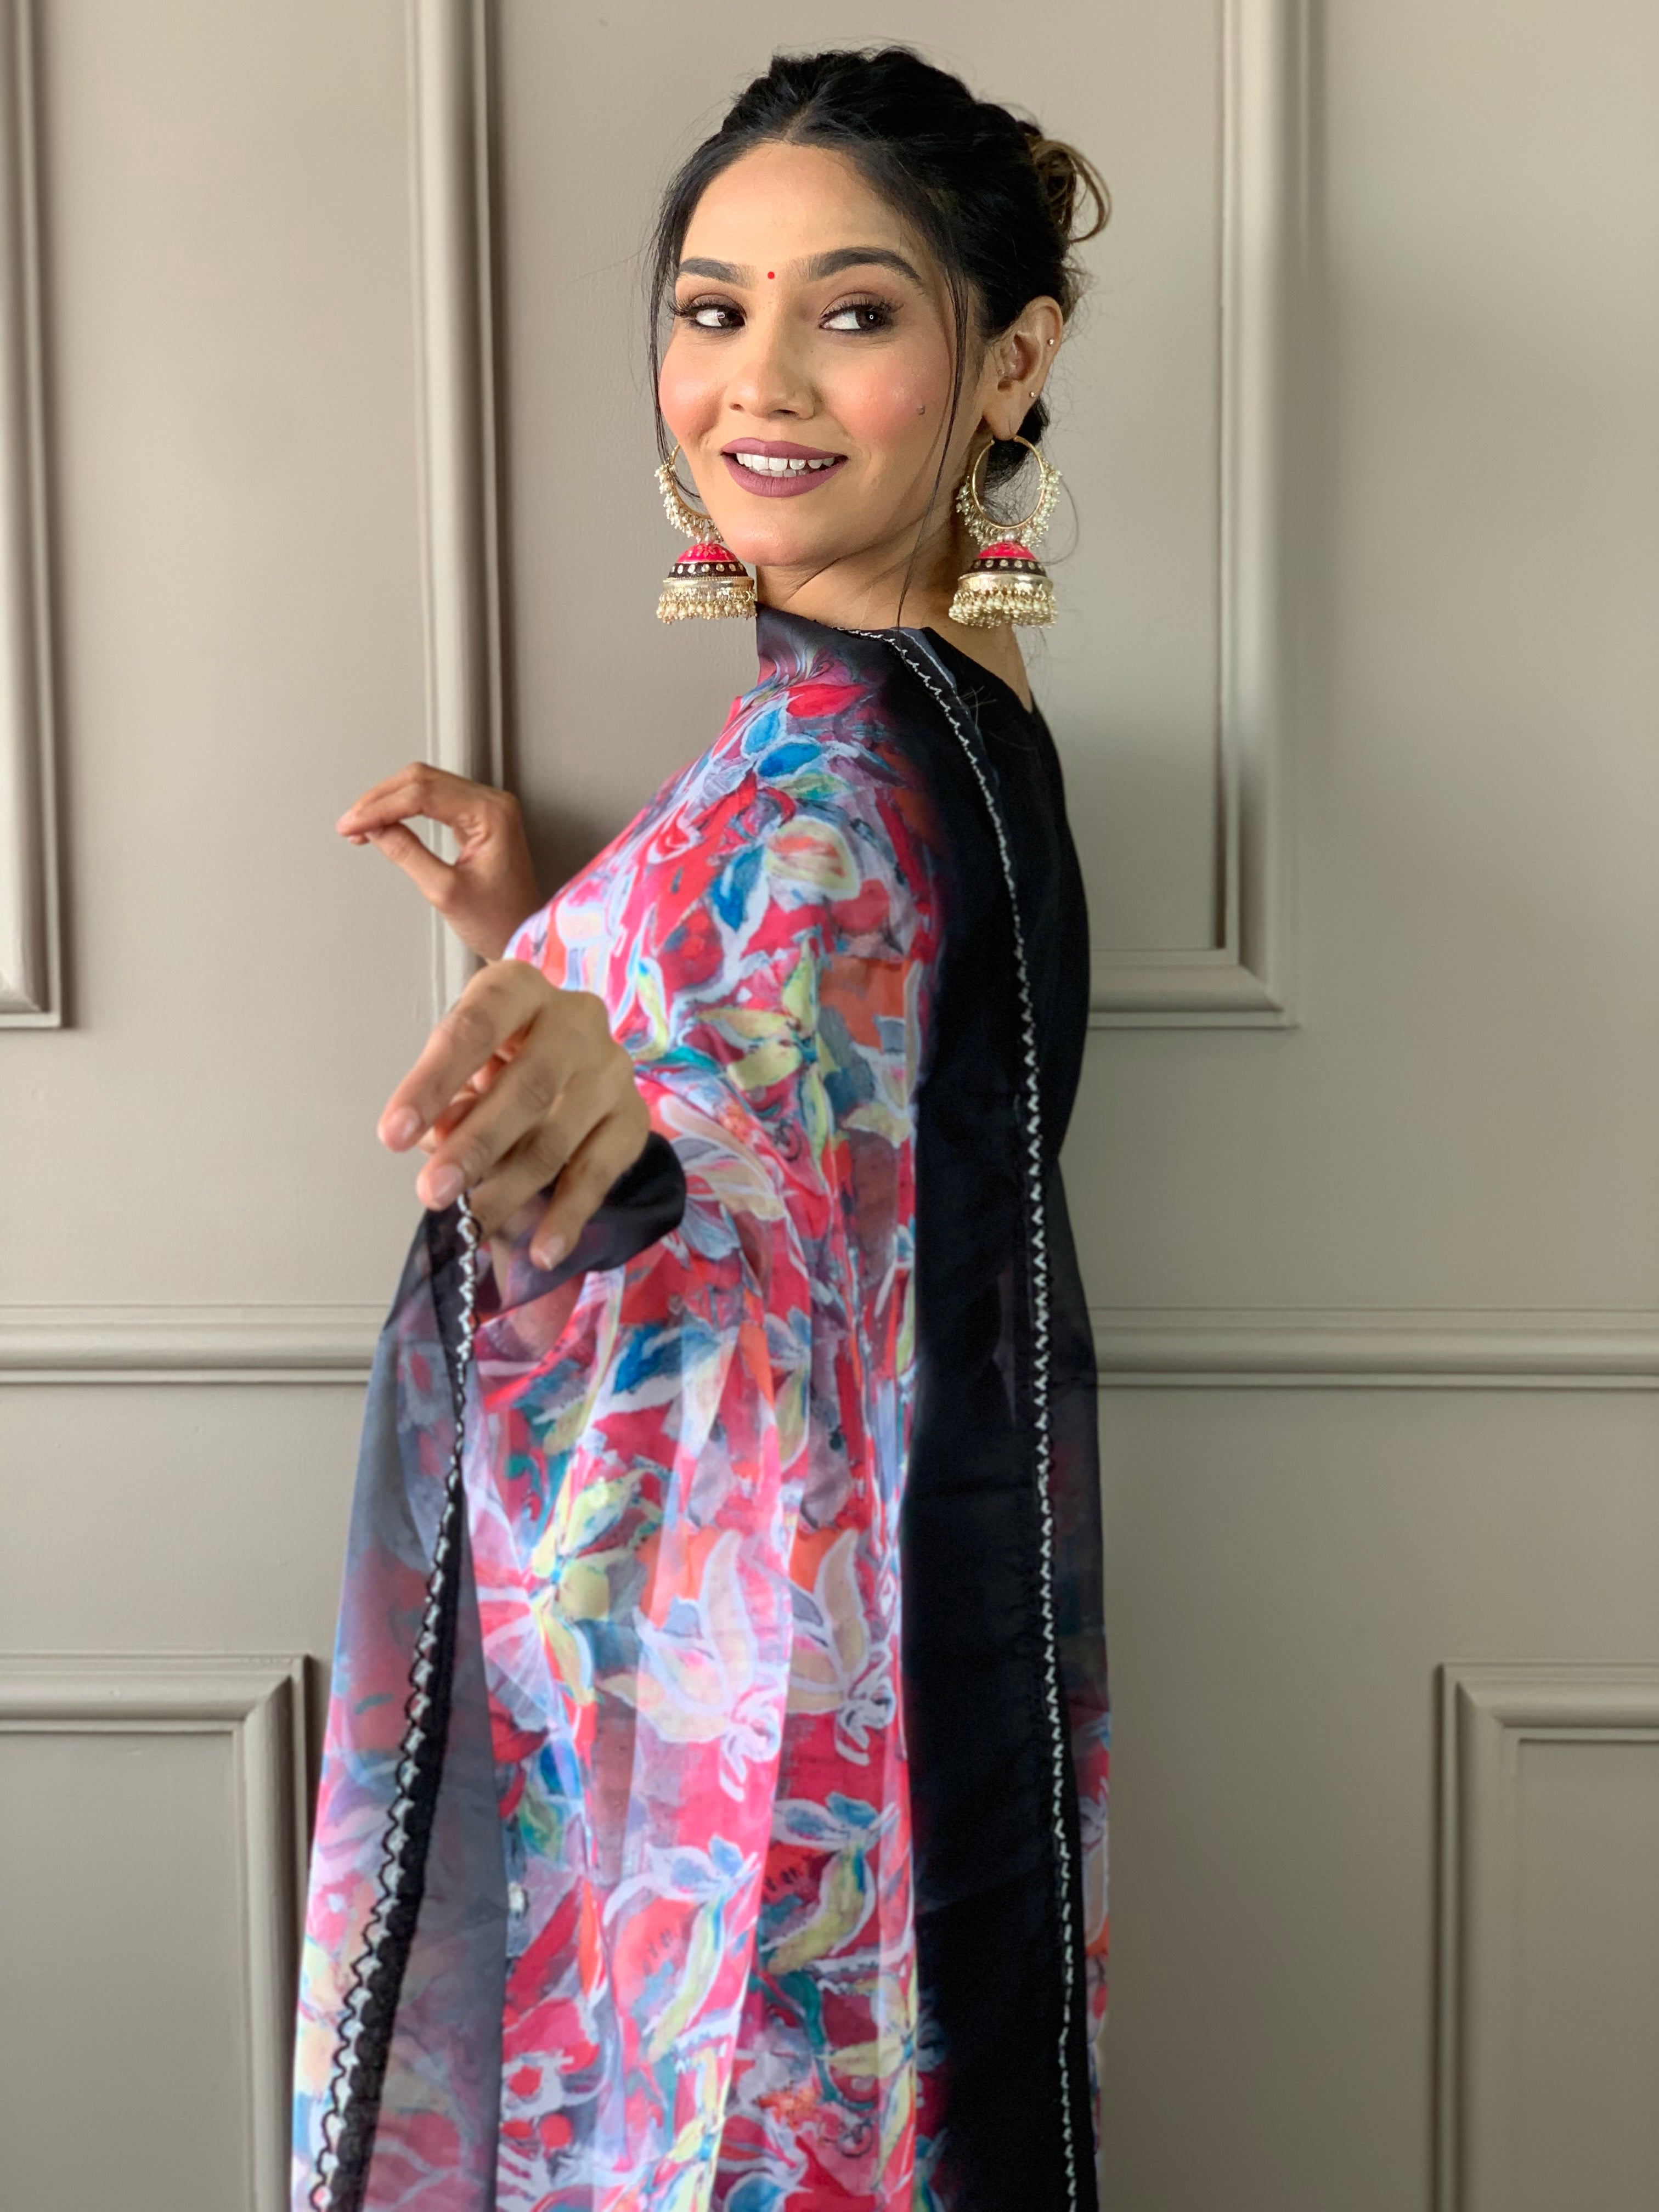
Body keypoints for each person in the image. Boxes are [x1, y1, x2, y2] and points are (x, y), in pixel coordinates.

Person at [293, 46, 1111, 2212]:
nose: (759, 380)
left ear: (1009, 363)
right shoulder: (937, 699)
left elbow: (748, 1131)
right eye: (712, 309)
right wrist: (542, 919)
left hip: (729, 1774)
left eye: (855, 313)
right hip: (796, 1699)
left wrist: (606, 1138)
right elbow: (834, 1097)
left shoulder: (833, 781)